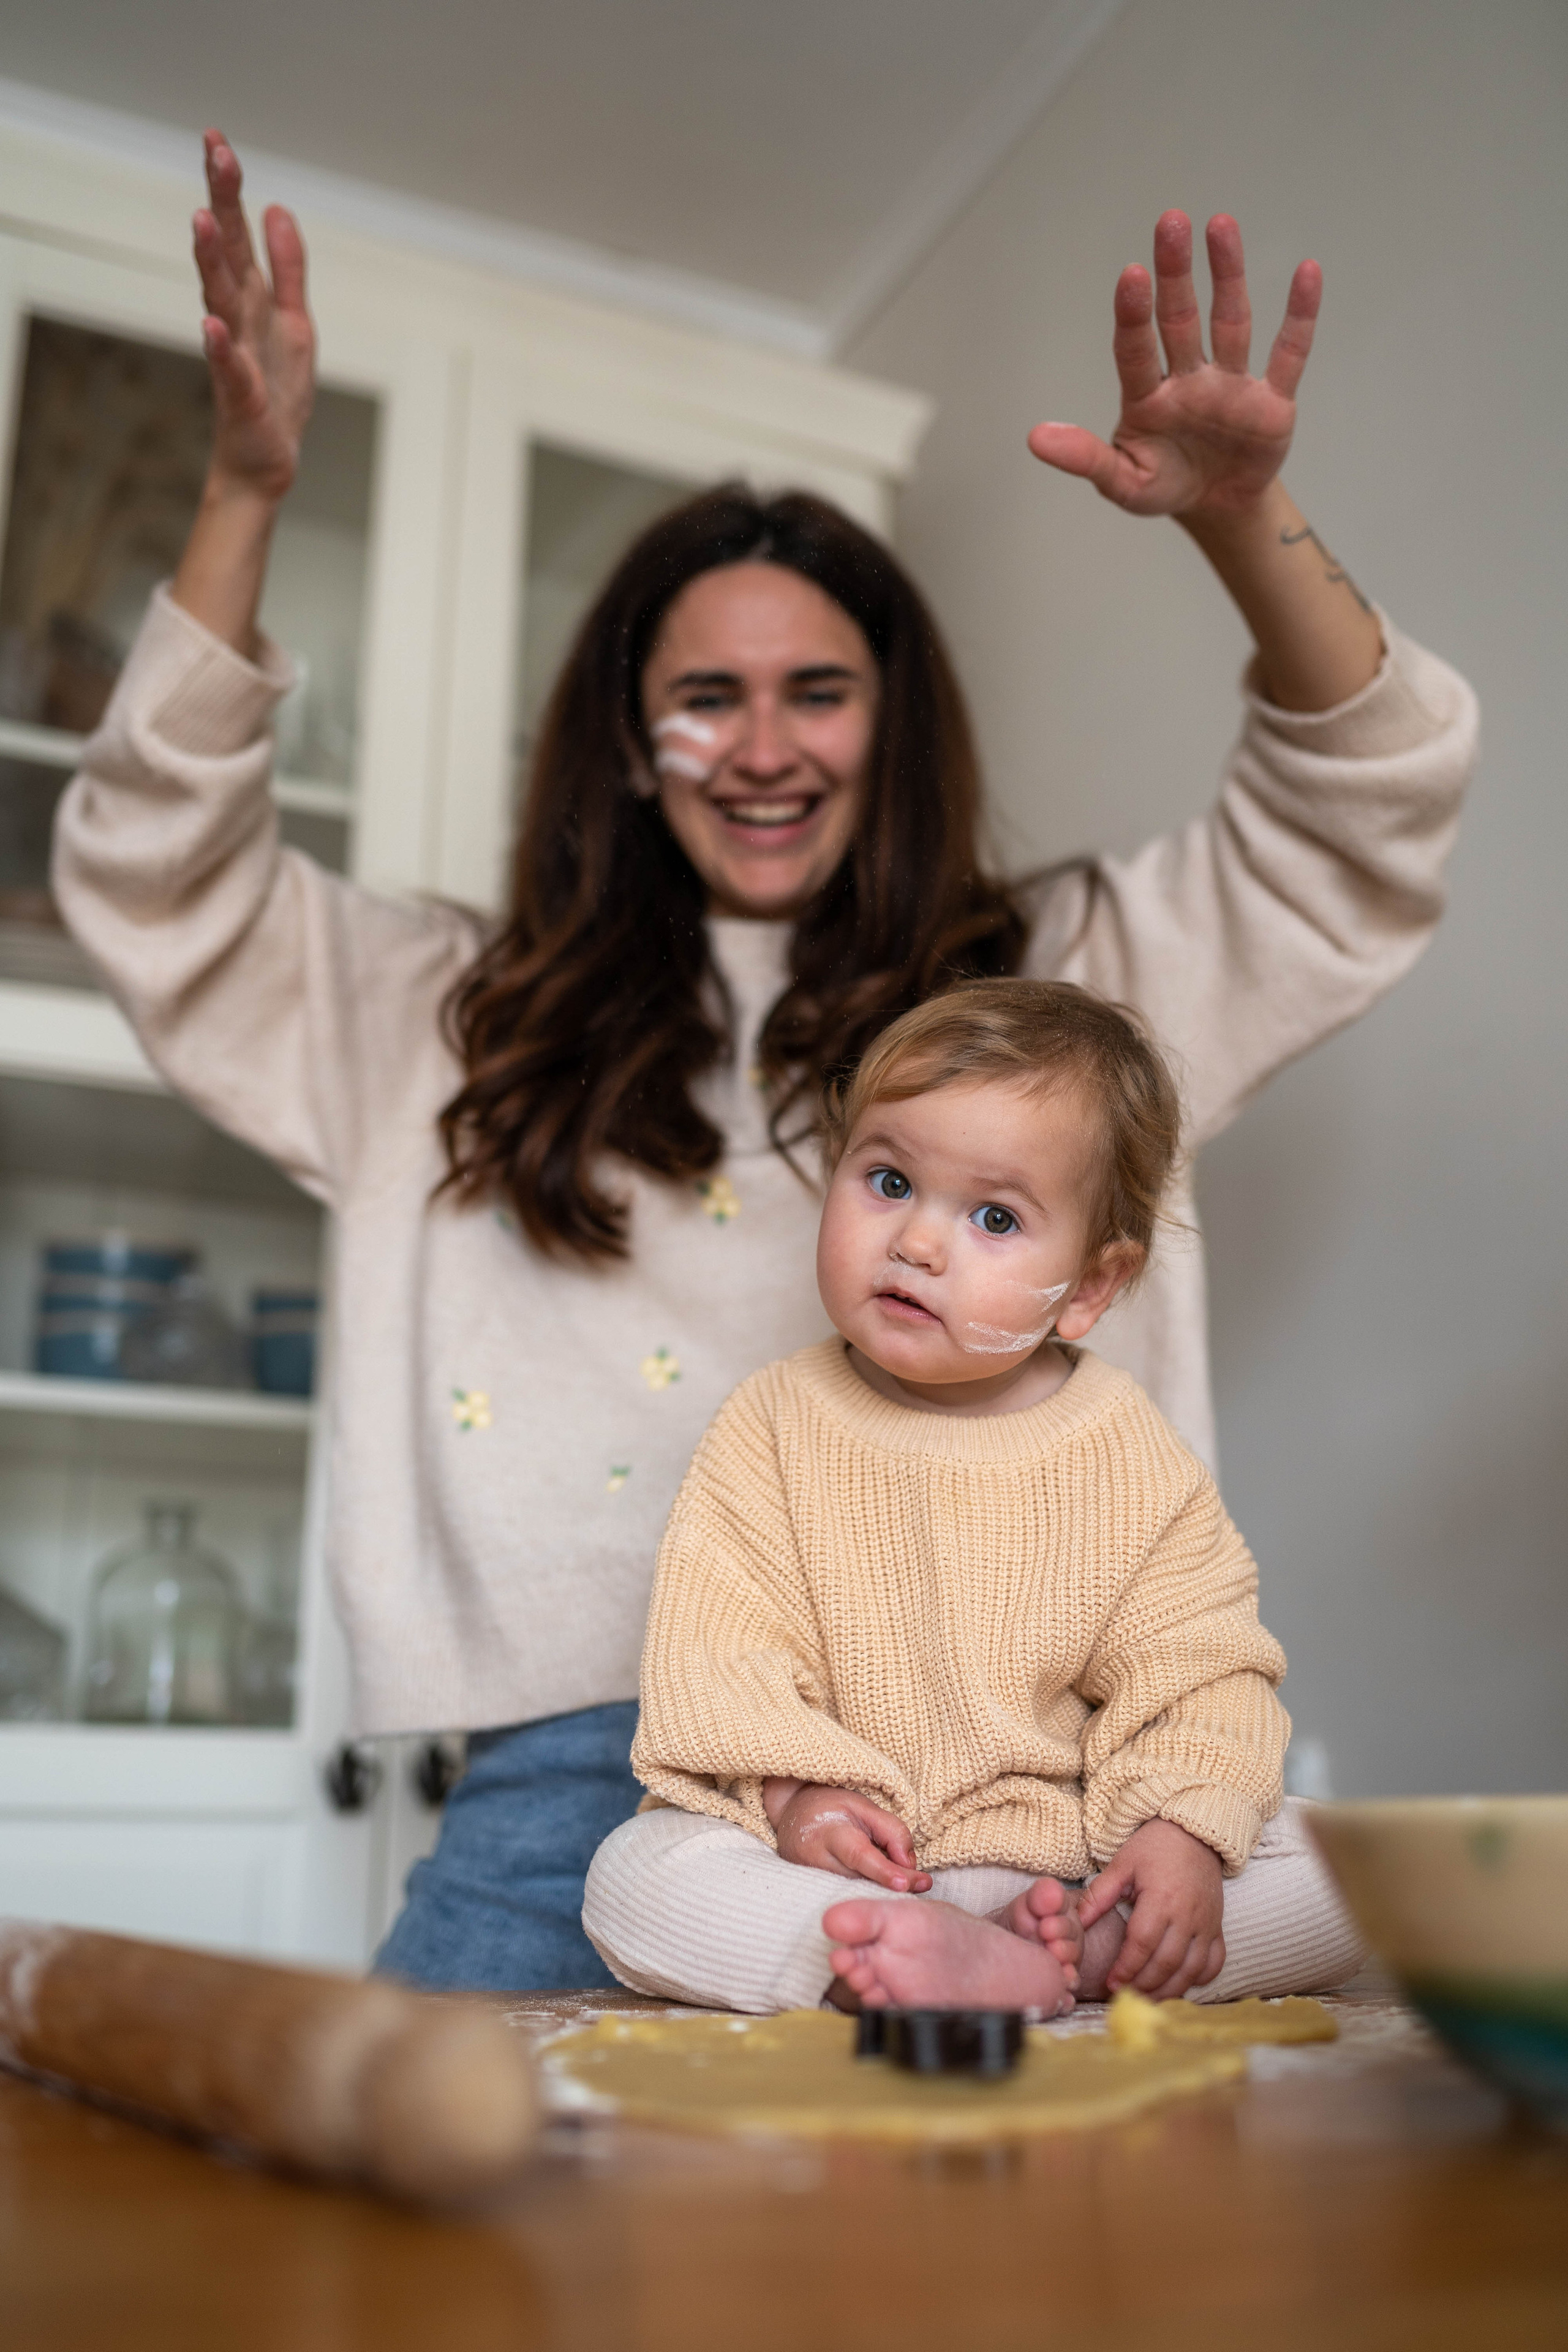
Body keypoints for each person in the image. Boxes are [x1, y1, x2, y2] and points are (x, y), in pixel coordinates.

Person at [53, 131, 1476, 1991]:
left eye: (817, 689)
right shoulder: (440, 1019)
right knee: (435, 2264)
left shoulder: (1074, 996)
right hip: (595, 1784)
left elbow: (1364, 819)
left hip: (1062, 1794)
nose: (762, 745)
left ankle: (1021, 1975)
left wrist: (1239, 523)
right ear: (634, 745)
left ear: (892, 721)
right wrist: (246, 488)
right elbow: (151, 878)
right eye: (703, 697)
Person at [584, 982, 1365, 2013]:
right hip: (848, 1869)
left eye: (995, 1217)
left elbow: (1200, 1672)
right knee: (632, 1876)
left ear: (1089, 1288)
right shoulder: (771, 1424)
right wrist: (794, 1794)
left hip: (1072, 1868)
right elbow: (721, 1654)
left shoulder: (1128, 1452)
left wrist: (1178, 1832)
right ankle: (881, 1961)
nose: (917, 1243)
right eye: (888, 1179)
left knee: (1340, 1866)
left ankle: (1062, 1958)